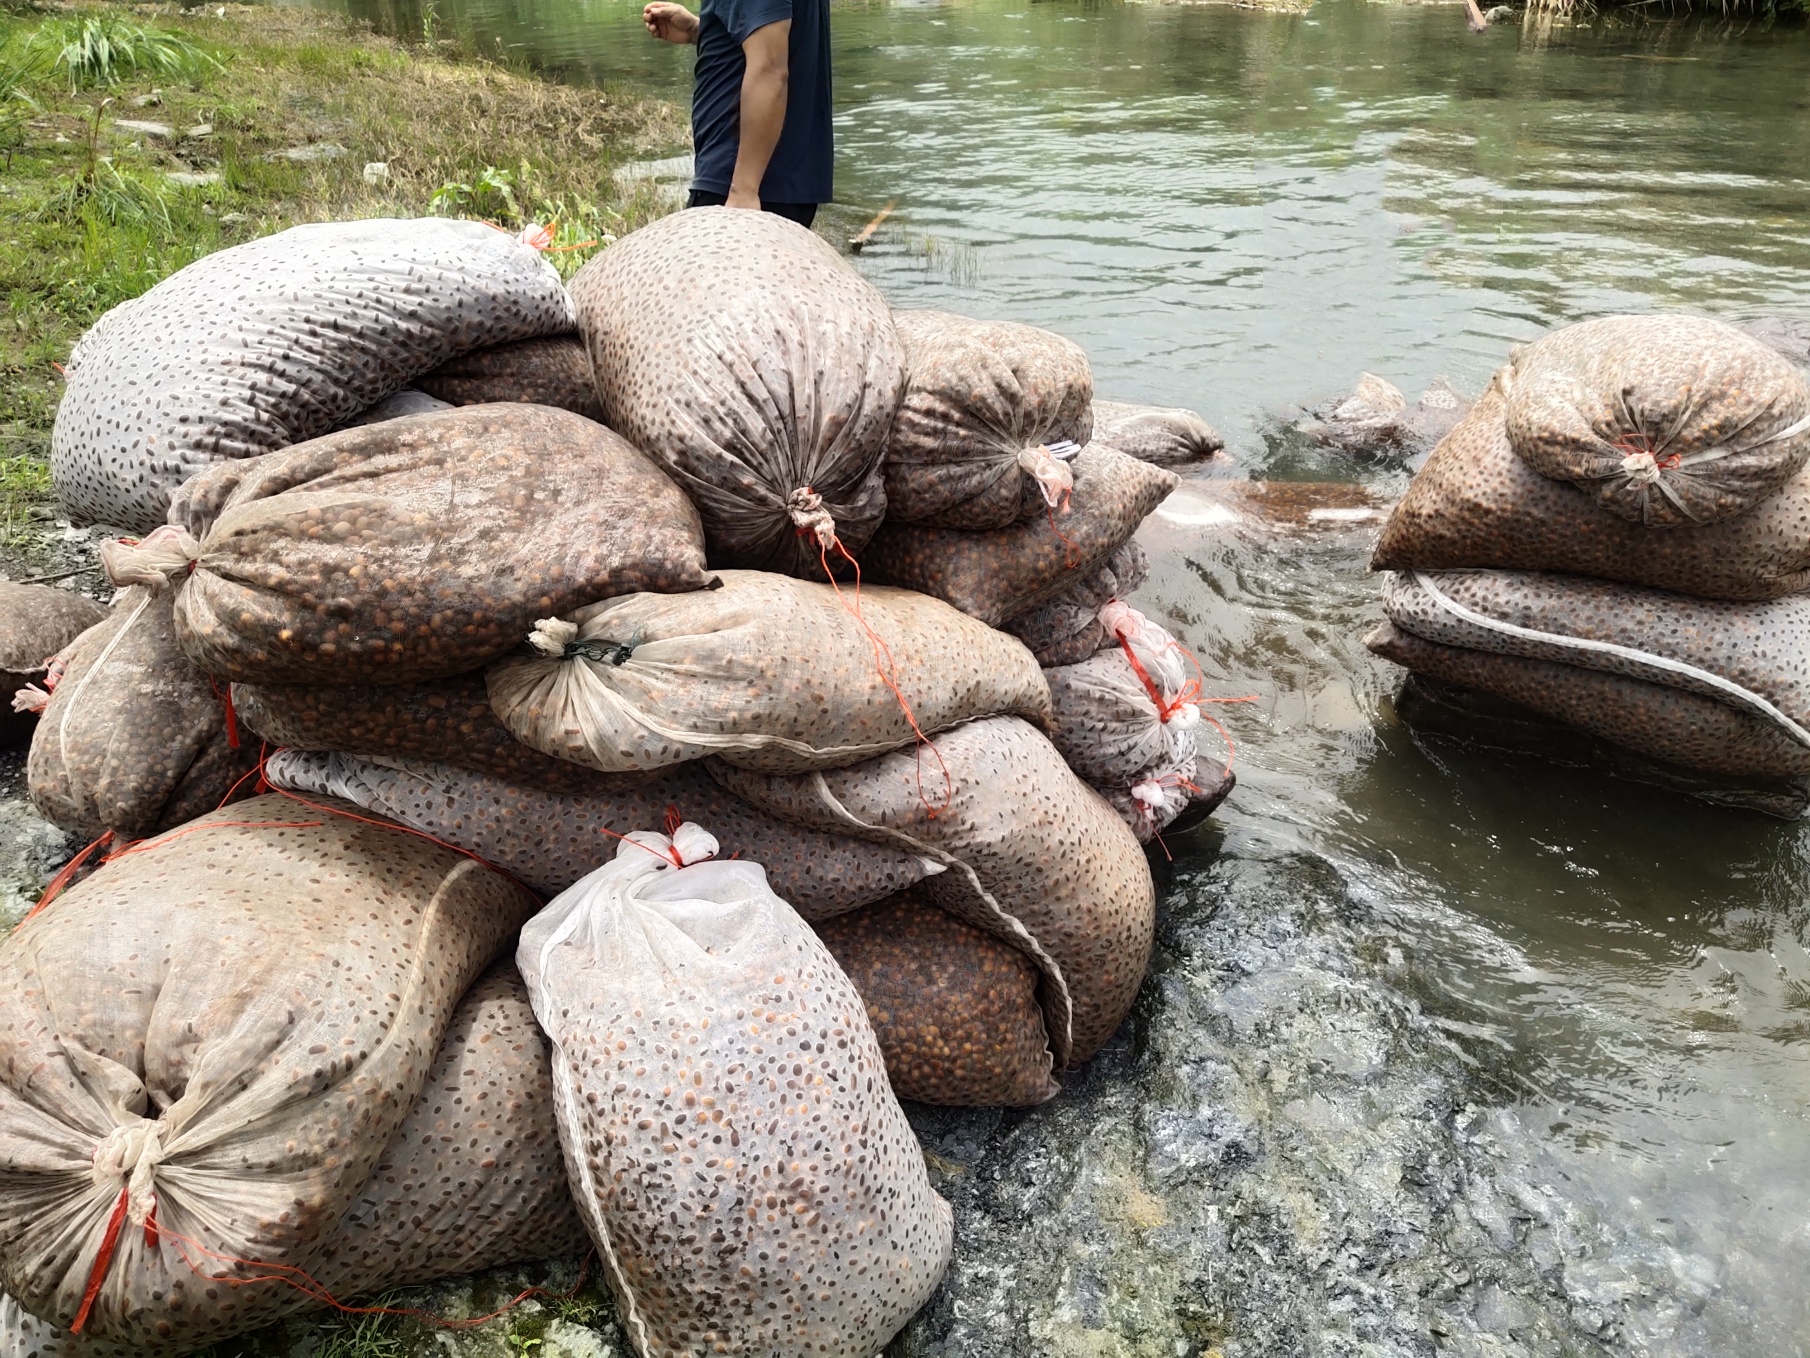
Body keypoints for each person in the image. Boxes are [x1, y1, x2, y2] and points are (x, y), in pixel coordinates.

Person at [643, 0, 831, 229]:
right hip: (784, 180)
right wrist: (697, 30)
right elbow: (771, 38)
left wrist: (744, 189)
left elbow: (769, 70)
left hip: (742, 185)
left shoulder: (742, 189)